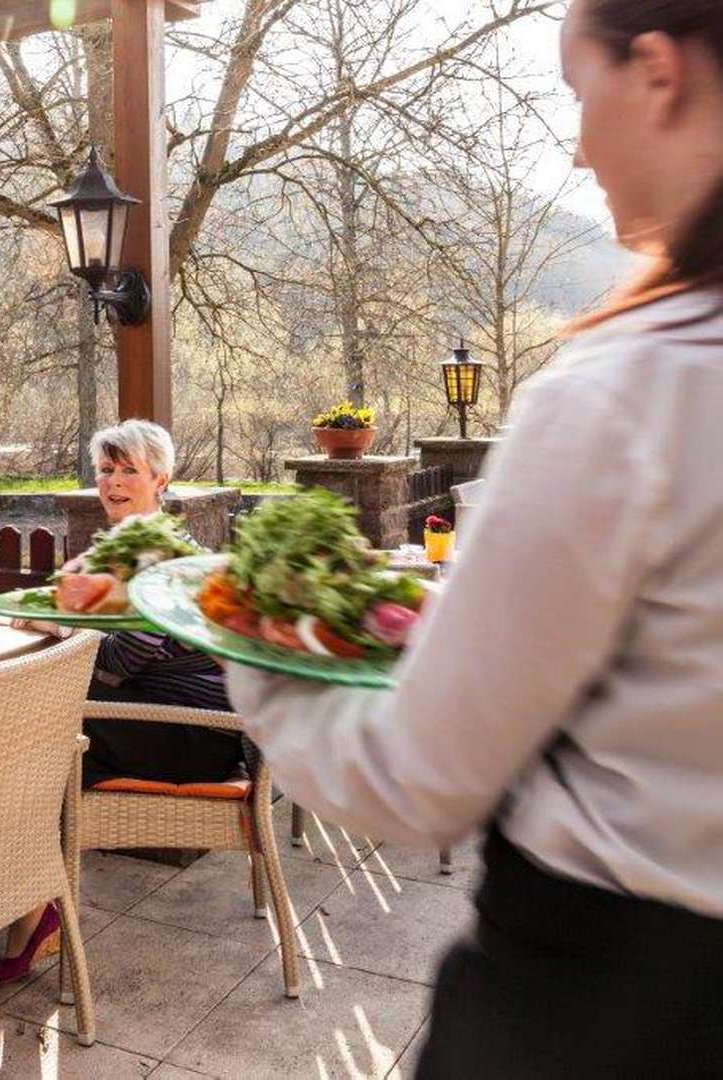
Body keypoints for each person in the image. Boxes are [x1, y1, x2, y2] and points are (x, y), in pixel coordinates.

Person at [225, 4, 723, 1075]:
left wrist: (252, 646)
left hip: (601, 1004)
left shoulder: (629, 393)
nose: (582, 145)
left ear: (657, 71)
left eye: (578, 94)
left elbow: (416, 786)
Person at [0, 419, 254, 985]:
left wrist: (57, 625)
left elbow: (119, 659)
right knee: (27, 734)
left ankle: (28, 905)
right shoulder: (132, 543)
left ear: (161, 478)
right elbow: (68, 593)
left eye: (128, 469)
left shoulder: (158, 554)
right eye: (106, 468)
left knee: (23, 732)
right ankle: (29, 902)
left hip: (193, 734)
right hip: (161, 717)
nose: (113, 480)